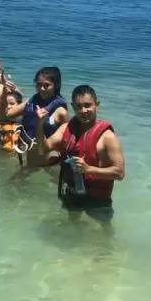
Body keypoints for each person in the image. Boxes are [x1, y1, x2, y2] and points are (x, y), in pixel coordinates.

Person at [39, 85, 125, 220]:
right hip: (72, 192)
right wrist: (40, 124)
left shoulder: (107, 137)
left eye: (88, 105)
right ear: (73, 106)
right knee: (72, 227)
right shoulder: (66, 128)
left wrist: (89, 169)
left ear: (97, 104)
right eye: (79, 106)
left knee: (104, 232)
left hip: (98, 199)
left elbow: (119, 173)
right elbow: (43, 149)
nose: (83, 110)